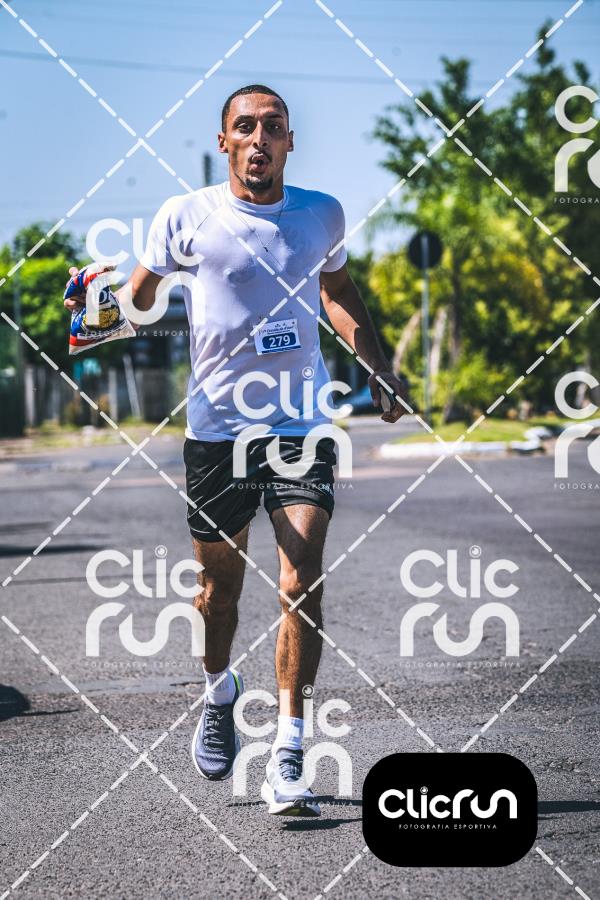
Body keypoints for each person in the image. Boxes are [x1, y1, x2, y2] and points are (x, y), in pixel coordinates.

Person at [64, 84, 406, 817]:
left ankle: (289, 748)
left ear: (289, 142)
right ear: (224, 142)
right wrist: (97, 314)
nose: (259, 139)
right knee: (217, 595)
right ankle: (220, 691)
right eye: (244, 127)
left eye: (272, 127)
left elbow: (337, 289)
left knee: (301, 576)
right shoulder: (184, 217)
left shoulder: (321, 214)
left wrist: (377, 367)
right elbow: (142, 300)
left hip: (299, 424)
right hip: (219, 430)